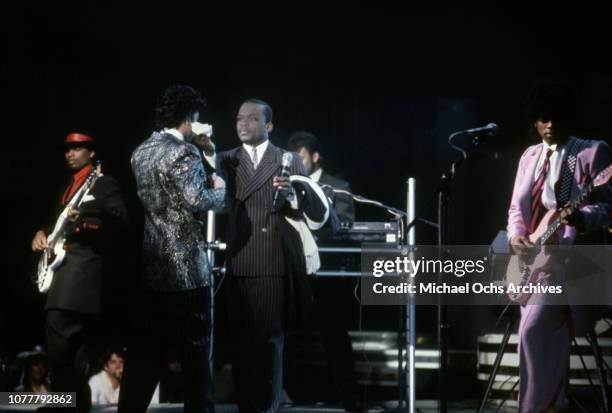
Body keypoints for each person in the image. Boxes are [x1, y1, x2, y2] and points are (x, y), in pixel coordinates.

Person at [201, 99, 329, 413]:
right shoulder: (225, 159)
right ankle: (248, 406)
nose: (243, 124)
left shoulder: (288, 160)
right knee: (242, 343)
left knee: (270, 341)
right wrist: (205, 153)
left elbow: (303, 209)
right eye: (239, 118)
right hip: (239, 258)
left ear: (269, 125)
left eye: (253, 119)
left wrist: (287, 197)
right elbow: (213, 197)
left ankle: (268, 407)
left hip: (272, 259)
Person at [507, 81, 612, 412]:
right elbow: (515, 210)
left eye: (556, 117)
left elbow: (608, 207)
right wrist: (516, 238)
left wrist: (581, 218)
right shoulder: (530, 156)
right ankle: (553, 404)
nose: (550, 125)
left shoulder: (591, 152)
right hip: (535, 262)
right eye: (543, 118)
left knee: (534, 332)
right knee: (539, 338)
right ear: (534, 121)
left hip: (578, 263)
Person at [119, 85, 225, 413]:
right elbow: (198, 200)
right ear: (188, 118)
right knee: (195, 358)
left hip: (152, 267)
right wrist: (220, 184)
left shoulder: (140, 151)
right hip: (186, 272)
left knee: (145, 355)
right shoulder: (183, 152)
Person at [31, 132, 129, 412]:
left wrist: (85, 222)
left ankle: (63, 402)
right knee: (70, 349)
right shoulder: (68, 187)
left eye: (77, 148)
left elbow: (121, 219)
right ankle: (74, 403)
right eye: (67, 149)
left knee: (59, 329)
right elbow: (59, 226)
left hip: (82, 272)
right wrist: (42, 234)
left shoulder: (104, 183)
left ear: (92, 152)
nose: (69, 153)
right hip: (63, 271)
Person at [287, 131, 362, 411]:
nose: (297, 164)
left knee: (334, 336)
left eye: (302, 158)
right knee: (286, 333)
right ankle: (279, 392)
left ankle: (350, 399)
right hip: (295, 272)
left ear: (315, 157)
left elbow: (343, 223)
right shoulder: (286, 184)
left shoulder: (338, 186)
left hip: (327, 274)